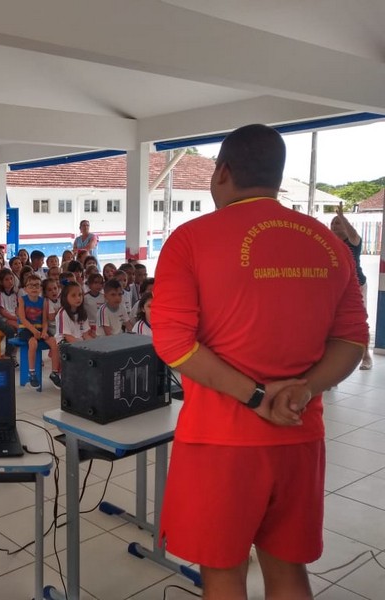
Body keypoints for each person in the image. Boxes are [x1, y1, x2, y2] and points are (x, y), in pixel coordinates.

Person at [153, 124, 368, 600]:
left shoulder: (190, 240)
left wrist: (254, 396)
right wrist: (303, 390)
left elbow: (174, 343)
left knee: (225, 575)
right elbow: (353, 340)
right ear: (277, 175)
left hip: (220, 443)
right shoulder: (330, 244)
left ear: (223, 172)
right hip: (299, 433)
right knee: (289, 573)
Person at [330, 203, 373, 370]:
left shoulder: (353, 241)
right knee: (333, 322)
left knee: (359, 321)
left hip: (357, 285)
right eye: (333, 223)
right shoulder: (328, 241)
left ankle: (366, 356)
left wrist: (342, 216)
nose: (334, 225)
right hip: (337, 287)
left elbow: (353, 233)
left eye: (337, 223)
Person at [17, 274, 62, 388]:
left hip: (40, 328)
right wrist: (33, 330)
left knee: (54, 343)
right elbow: (22, 318)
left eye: (37, 285)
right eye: (31, 286)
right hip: (25, 328)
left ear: (41, 288)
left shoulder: (44, 301)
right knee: (33, 343)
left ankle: (54, 373)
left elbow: (45, 320)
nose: (34, 288)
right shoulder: (22, 300)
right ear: (26, 288)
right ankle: (32, 372)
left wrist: (44, 331)